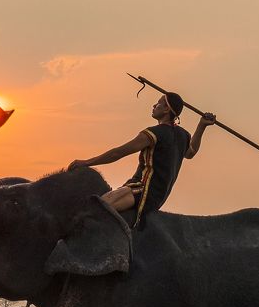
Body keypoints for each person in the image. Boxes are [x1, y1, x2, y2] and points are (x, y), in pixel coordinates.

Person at [68, 93, 216, 227]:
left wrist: (86, 163)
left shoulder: (153, 133)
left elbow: (117, 153)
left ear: (166, 110)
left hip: (142, 191)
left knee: (94, 210)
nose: (154, 106)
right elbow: (191, 153)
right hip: (159, 196)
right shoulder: (183, 135)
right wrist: (201, 125)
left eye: (158, 103)